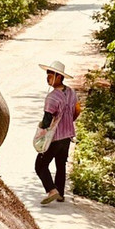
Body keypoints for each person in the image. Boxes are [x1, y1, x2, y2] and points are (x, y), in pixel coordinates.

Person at [34, 60, 81, 205]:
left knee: (40, 165)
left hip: (54, 137)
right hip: (67, 136)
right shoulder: (72, 92)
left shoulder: (52, 97)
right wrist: (69, 122)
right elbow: (78, 110)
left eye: (50, 76)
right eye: (47, 76)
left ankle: (51, 190)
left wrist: (41, 130)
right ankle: (60, 193)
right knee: (61, 164)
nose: (47, 78)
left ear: (59, 77)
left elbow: (47, 119)